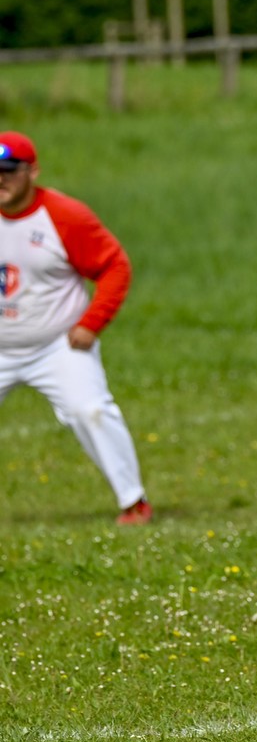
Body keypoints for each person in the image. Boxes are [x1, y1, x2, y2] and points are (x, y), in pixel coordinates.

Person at [0, 131, 151, 525]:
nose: (0, 180)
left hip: (56, 345)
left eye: (9, 171)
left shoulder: (64, 216)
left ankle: (134, 502)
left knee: (90, 410)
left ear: (32, 171)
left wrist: (92, 323)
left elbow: (114, 266)